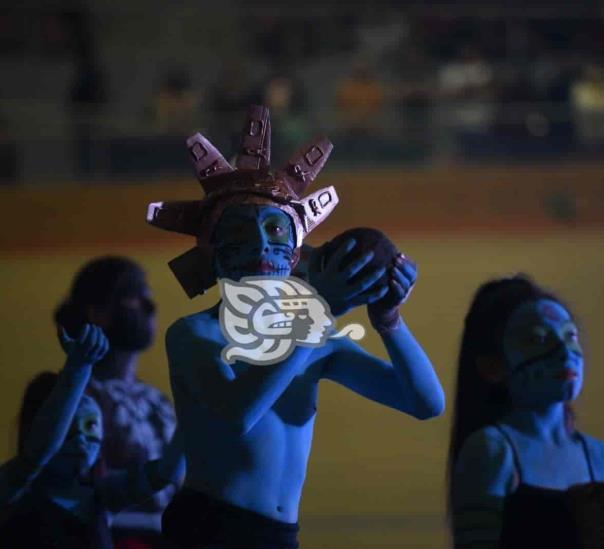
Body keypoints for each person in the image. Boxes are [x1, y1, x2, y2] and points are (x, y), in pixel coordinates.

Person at [146, 105, 445, 548]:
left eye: (275, 229)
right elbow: (236, 416)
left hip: (280, 535)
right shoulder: (195, 335)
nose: (262, 243)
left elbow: (426, 402)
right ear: (212, 252)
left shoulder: (318, 339)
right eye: (241, 232)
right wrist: (318, 311)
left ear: (297, 250)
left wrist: (390, 321)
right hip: (209, 527)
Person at [448, 276, 604, 549]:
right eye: (538, 339)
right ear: (492, 367)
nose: (565, 351)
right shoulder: (492, 451)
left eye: (570, 335)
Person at [0, 325, 184, 548]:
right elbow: (39, 452)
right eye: (68, 427)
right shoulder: (14, 485)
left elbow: (168, 471)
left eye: (90, 425)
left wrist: (197, 406)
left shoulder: (102, 495)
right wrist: (77, 369)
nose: (80, 439)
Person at [54, 257, 177, 544]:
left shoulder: (156, 399)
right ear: (97, 311)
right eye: (134, 295)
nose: (150, 306)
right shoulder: (73, 397)